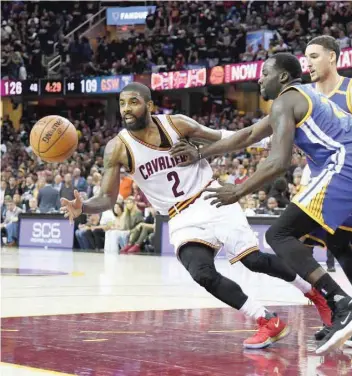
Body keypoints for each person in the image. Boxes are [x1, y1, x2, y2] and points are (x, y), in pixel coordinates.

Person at [170, 52, 352, 352]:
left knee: (279, 235)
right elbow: (246, 135)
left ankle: (342, 304)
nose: (258, 78)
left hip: (348, 164)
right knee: (337, 240)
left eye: (265, 73)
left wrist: (238, 191)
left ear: (284, 76)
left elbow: (279, 161)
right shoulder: (305, 96)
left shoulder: (295, 98)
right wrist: (200, 153)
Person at [60, 82, 331, 350]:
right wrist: (83, 207)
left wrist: (270, 142)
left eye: (133, 102)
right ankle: (266, 320)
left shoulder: (176, 124)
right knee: (202, 273)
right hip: (179, 217)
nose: (126, 109)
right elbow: (108, 198)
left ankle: (314, 293)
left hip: (210, 197)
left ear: (150, 105)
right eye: (121, 103)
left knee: (253, 260)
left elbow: (222, 137)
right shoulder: (117, 148)